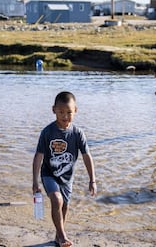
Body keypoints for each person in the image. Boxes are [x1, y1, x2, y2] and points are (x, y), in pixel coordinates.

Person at [32, 91, 97, 247]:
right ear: (53, 110)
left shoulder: (77, 133)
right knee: (56, 199)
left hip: (67, 177)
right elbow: (38, 156)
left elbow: (87, 156)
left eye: (69, 112)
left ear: (76, 110)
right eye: (61, 112)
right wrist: (35, 181)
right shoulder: (47, 132)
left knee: (65, 206)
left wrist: (92, 180)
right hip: (49, 174)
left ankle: (57, 236)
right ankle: (62, 236)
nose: (65, 116)